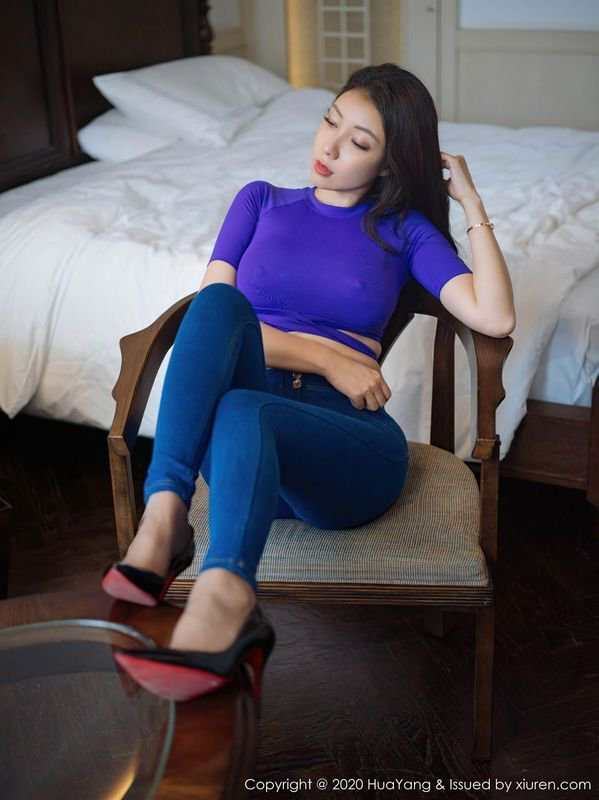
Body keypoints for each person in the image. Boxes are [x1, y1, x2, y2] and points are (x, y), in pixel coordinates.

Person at [102, 63, 515, 702]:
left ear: (388, 163)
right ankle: (167, 515)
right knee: (217, 310)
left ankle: (221, 598)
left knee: (245, 405)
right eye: (330, 121)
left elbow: (495, 315)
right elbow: (215, 328)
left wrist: (473, 204)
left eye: (359, 141)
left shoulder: (403, 231)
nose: (330, 146)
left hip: (346, 449)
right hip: (244, 454)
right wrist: (327, 357)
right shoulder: (259, 201)